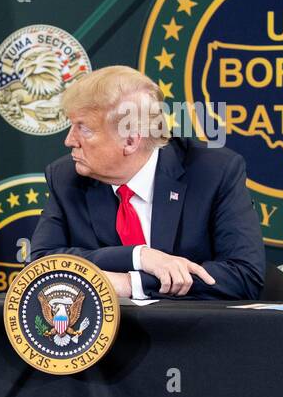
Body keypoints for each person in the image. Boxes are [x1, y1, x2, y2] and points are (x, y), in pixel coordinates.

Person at [28, 65, 264, 299]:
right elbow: (41, 266)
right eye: (72, 125)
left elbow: (243, 276)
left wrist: (133, 283)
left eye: (84, 129)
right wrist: (139, 256)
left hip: (193, 331)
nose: (69, 140)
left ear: (130, 141)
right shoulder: (66, 177)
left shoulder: (213, 172)